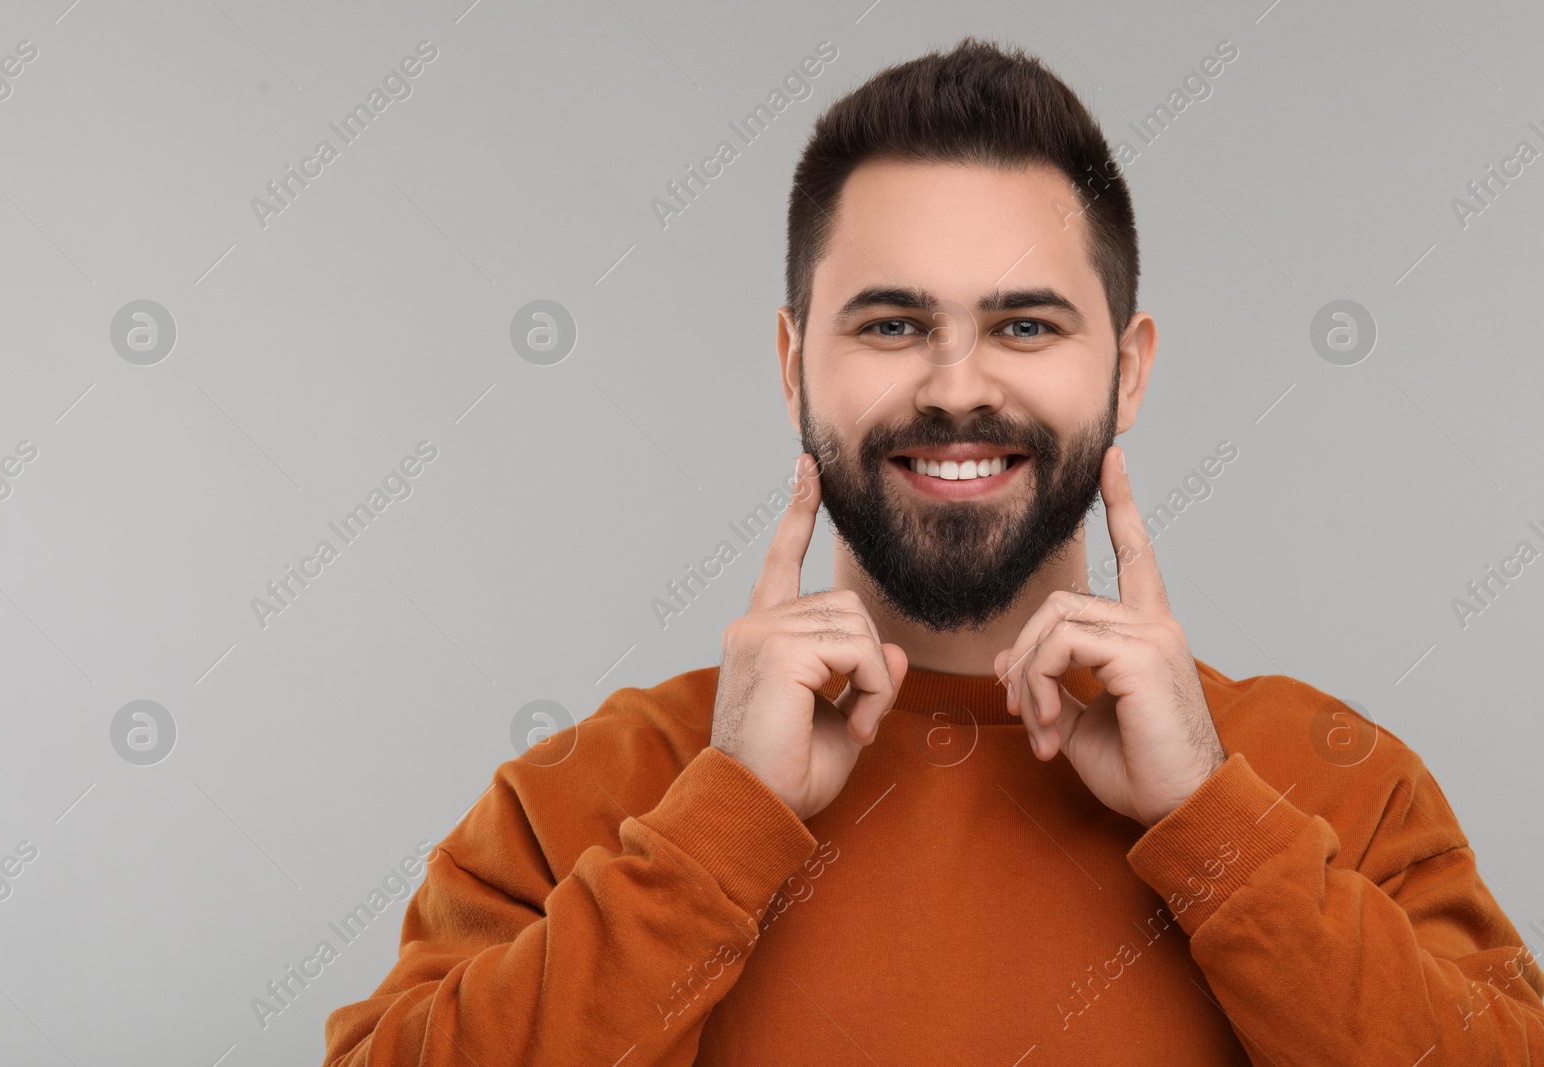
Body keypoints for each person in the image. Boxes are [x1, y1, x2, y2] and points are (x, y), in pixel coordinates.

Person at [321, 36, 1544, 1065]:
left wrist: (1216, 824)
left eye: (1024, 322)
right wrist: (719, 829)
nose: (957, 386)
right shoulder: (589, 796)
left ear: (1126, 369)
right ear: (797, 366)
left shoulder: (1331, 782)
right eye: (894, 321)